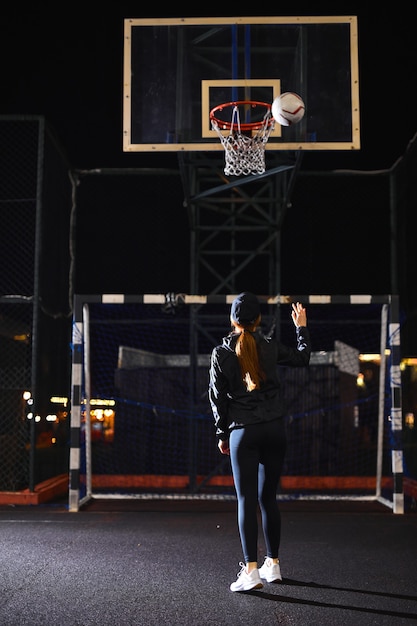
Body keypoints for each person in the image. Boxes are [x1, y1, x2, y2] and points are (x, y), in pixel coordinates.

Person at [208, 292, 311, 592]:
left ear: (232, 321)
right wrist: (301, 327)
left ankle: (251, 571)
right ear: (258, 320)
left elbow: (217, 400)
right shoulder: (269, 346)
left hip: (244, 432)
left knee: (246, 500)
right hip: (275, 431)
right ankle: (273, 565)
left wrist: (220, 433)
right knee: (269, 499)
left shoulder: (221, 352)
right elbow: (303, 357)